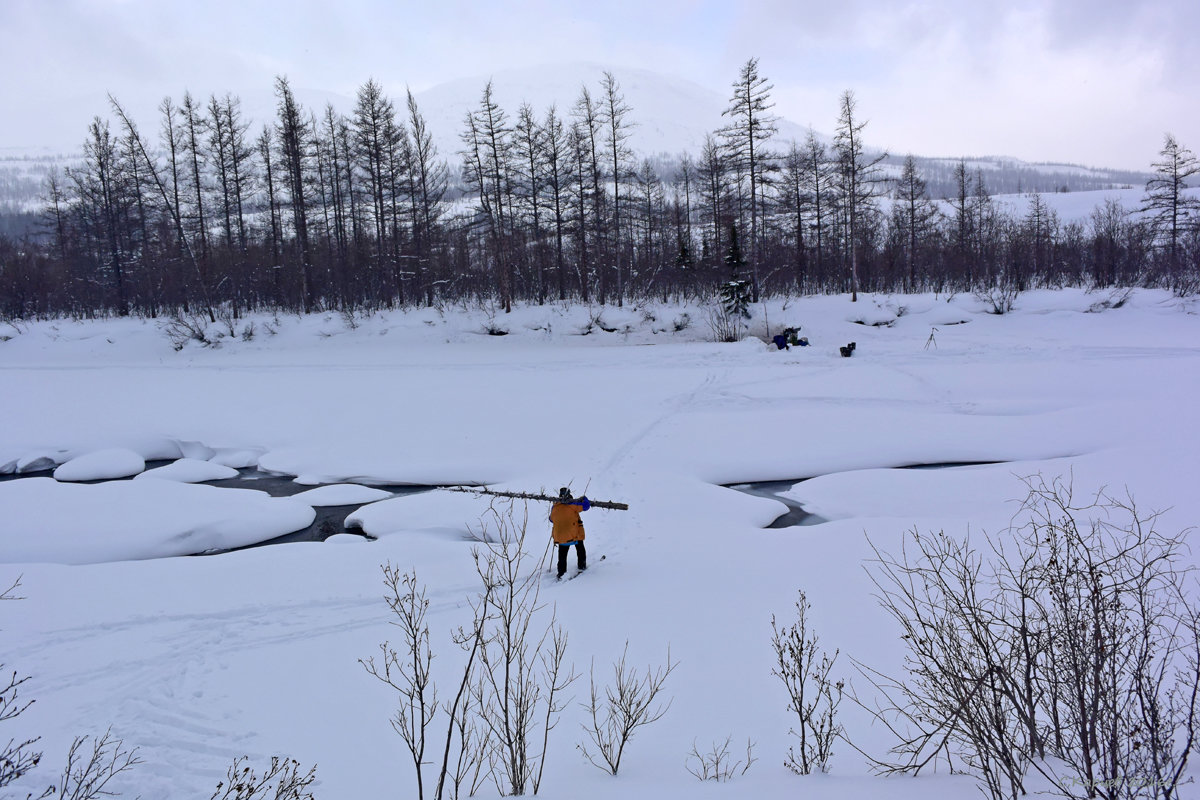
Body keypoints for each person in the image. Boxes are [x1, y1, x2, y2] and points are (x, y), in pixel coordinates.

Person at [550, 487, 589, 578]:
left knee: (562, 554)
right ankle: (581, 566)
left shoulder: (554, 506)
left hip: (560, 535)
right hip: (573, 533)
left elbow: (551, 519)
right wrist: (584, 498)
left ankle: (561, 572)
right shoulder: (573, 504)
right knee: (580, 548)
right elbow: (586, 506)